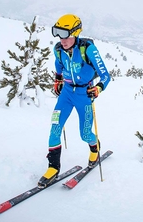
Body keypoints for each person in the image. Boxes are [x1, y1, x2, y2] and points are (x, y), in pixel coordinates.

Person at [38, 14, 110, 188]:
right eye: (58, 34)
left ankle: (95, 149)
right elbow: (58, 66)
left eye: (65, 34)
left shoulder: (88, 49)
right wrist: (58, 80)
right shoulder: (58, 49)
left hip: (84, 95)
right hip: (67, 94)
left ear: (76, 33)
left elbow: (106, 76)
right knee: (55, 127)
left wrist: (98, 88)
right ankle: (53, 167)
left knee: (85, 134)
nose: (61, 39)